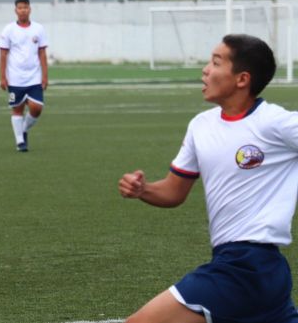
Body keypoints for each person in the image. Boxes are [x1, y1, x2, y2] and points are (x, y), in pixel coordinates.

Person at [118, 34, 298, 323]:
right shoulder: (201, 126)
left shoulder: (274, 122)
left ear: (242, 79)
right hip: (252, 268)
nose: (205, 70)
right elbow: (174, 191)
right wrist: (143, 190)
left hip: (247, 265)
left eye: (216, 62)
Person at [0, 0, 48, 152]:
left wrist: (45, 76)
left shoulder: (38, 29)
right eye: (20, 8)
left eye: (25, 7)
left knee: (37, 108)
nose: (23, 10)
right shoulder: (9, 30)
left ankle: (24, 129)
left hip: (34, 77)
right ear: (16, 10)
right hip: (15, 78)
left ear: (30, 9)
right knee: (17, 109)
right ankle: (20, 142)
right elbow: (3, 54)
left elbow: (42, 53)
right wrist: (3, 77)